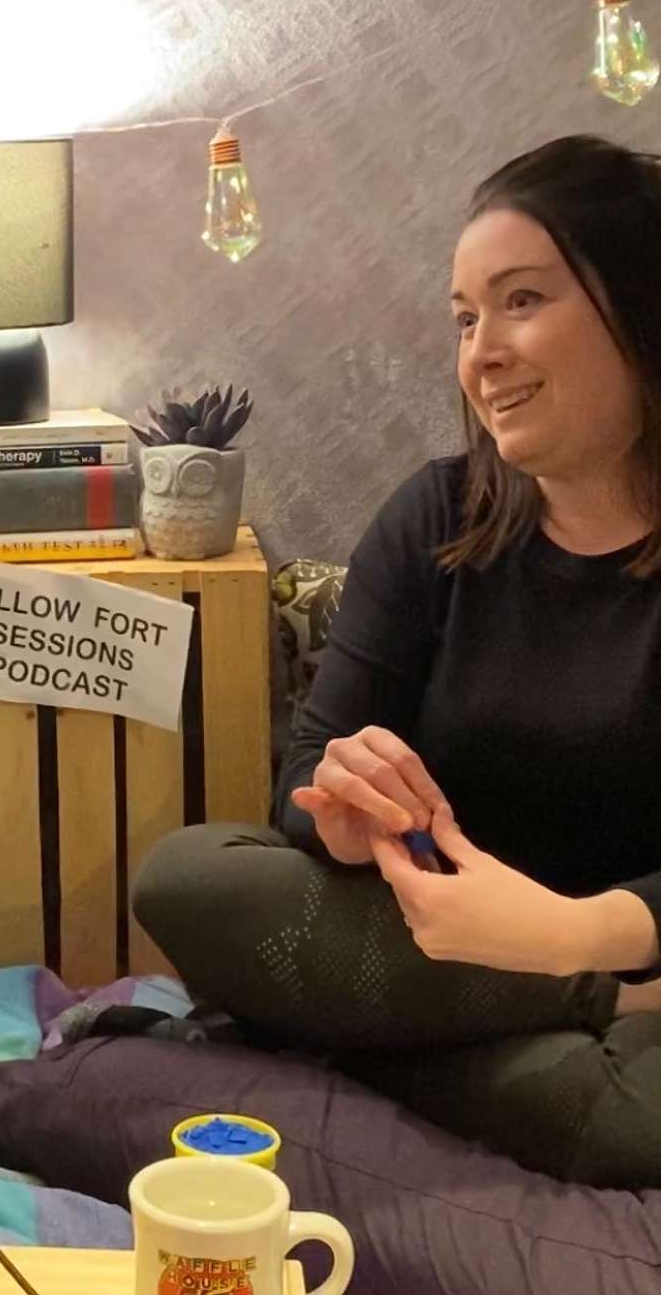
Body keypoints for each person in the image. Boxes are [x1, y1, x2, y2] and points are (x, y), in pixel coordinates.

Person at [136, 134, 661, 1192]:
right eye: (464, 318)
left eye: (521, 301)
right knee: (189, 878)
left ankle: (354, 1056)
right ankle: (575, 1018)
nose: (481, 353)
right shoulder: (436, 517)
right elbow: (305, 776)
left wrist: (573, 932)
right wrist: (340, 810)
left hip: (615, 944)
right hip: (471, 952)